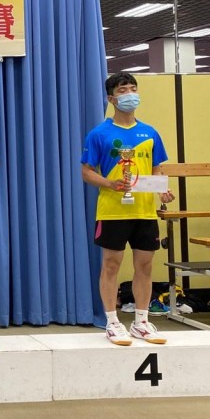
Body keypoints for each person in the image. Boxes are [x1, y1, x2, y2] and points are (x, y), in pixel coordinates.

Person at [81, 72, 175, 347]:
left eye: (133, 88)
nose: (130, 94)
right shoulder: (99, 134)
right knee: (111, 265)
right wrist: (110, 183)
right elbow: (86, 172)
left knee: (145, 265)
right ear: (111, 99)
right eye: (123, 90)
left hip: (144, 211)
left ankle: (141, 322)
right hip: (112, 211)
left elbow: (156, 169)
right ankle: (112, 322)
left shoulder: (150, 132)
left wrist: (162, 189)